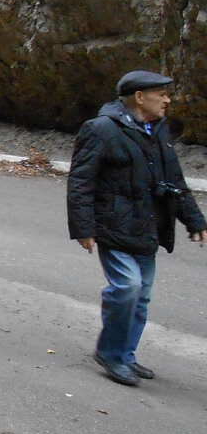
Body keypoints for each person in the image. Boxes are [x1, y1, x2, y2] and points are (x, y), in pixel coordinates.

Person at [67, 69, 206, 386]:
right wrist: (84, 228)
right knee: (127, 288)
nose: (167, 100)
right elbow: (80, 182)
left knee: (140, 298)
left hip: (148, 228)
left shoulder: (158, 131)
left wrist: (195, 221)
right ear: (140, 97)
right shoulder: (101, 129)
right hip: (114, 227)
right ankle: (111, 353)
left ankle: (126, 355)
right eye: (162, 94)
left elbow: (176, 182)